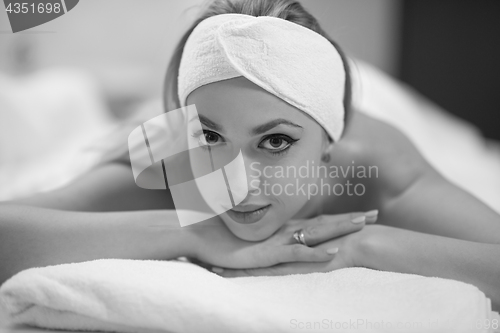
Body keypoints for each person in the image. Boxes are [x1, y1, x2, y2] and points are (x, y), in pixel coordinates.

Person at [1, 0, 499, 311]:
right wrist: (195, 232)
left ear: (329, 144)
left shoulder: (379, 168)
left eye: (276, 142)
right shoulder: (169, 150)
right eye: (210, 137)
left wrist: (360, 246)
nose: (236, 182)